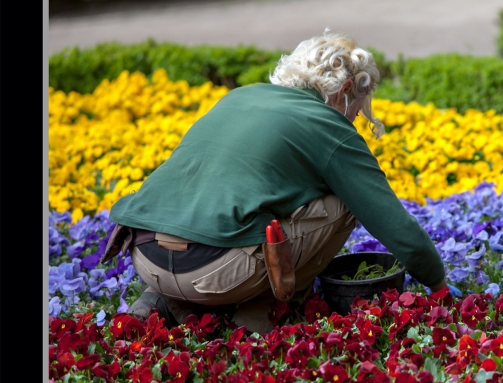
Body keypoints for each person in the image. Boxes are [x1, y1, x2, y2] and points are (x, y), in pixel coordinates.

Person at [103, 29, 448, 335]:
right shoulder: (328, 124)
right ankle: (264, 311)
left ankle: (162, 300)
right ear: (344, 90)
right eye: (358, 109)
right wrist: (440, 285)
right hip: (217, 273)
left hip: (146, 257)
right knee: (347, 199)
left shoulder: (239, 96)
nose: (356, 119)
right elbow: (393, 224)